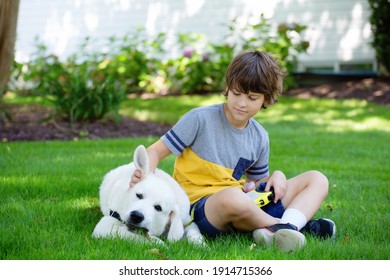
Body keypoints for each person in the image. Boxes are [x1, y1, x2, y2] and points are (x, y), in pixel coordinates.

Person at [130, 50, 335, 252]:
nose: (241, 103)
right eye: (236, 93)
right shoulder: (199, 119)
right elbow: (155, 152)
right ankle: (287, 227)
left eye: (252, 97)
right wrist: (142, 175)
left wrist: (277, 176)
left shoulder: (259, 136)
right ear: (228, 88)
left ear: (266, 99)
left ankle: (285, 227)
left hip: (245, 205)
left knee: (317, 179)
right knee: (233, 198)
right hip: (203, 208)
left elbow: (257, 184)